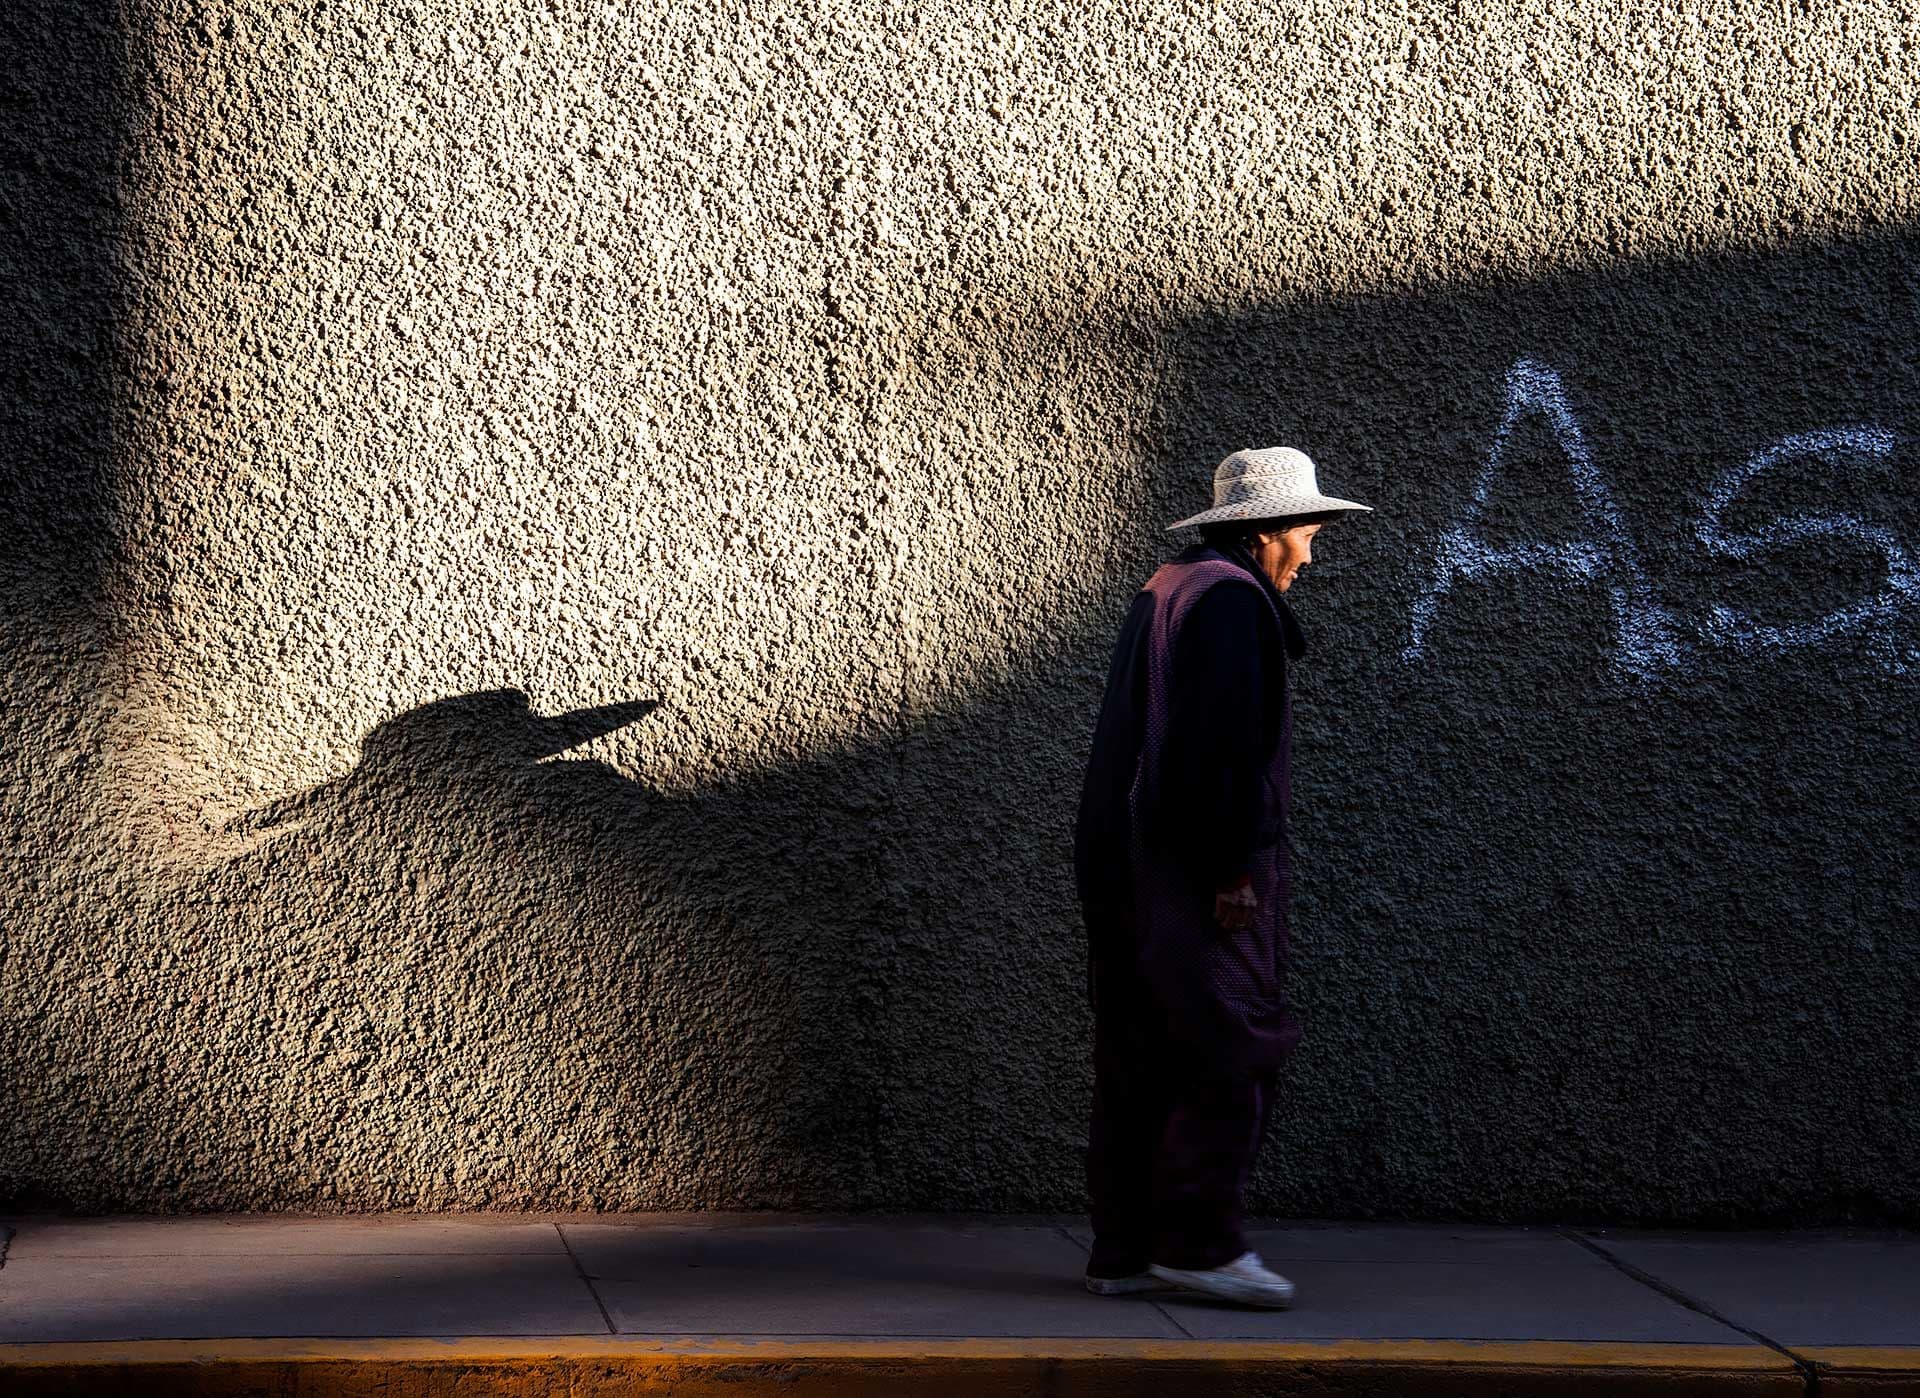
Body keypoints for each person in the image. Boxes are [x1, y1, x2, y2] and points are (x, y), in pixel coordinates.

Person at [1072, 446, 1372, 1309]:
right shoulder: (1233, 604)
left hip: (1124, 862)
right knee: (1234, 1042)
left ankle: (1123, 1251)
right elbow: (1219, 750)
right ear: (1268, 530)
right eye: (1308, 533)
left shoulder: (1172, 585)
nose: (1310, 555)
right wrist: (1232, 870)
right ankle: (1200, 1245)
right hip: (1187, 871)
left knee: (1138, 1049)